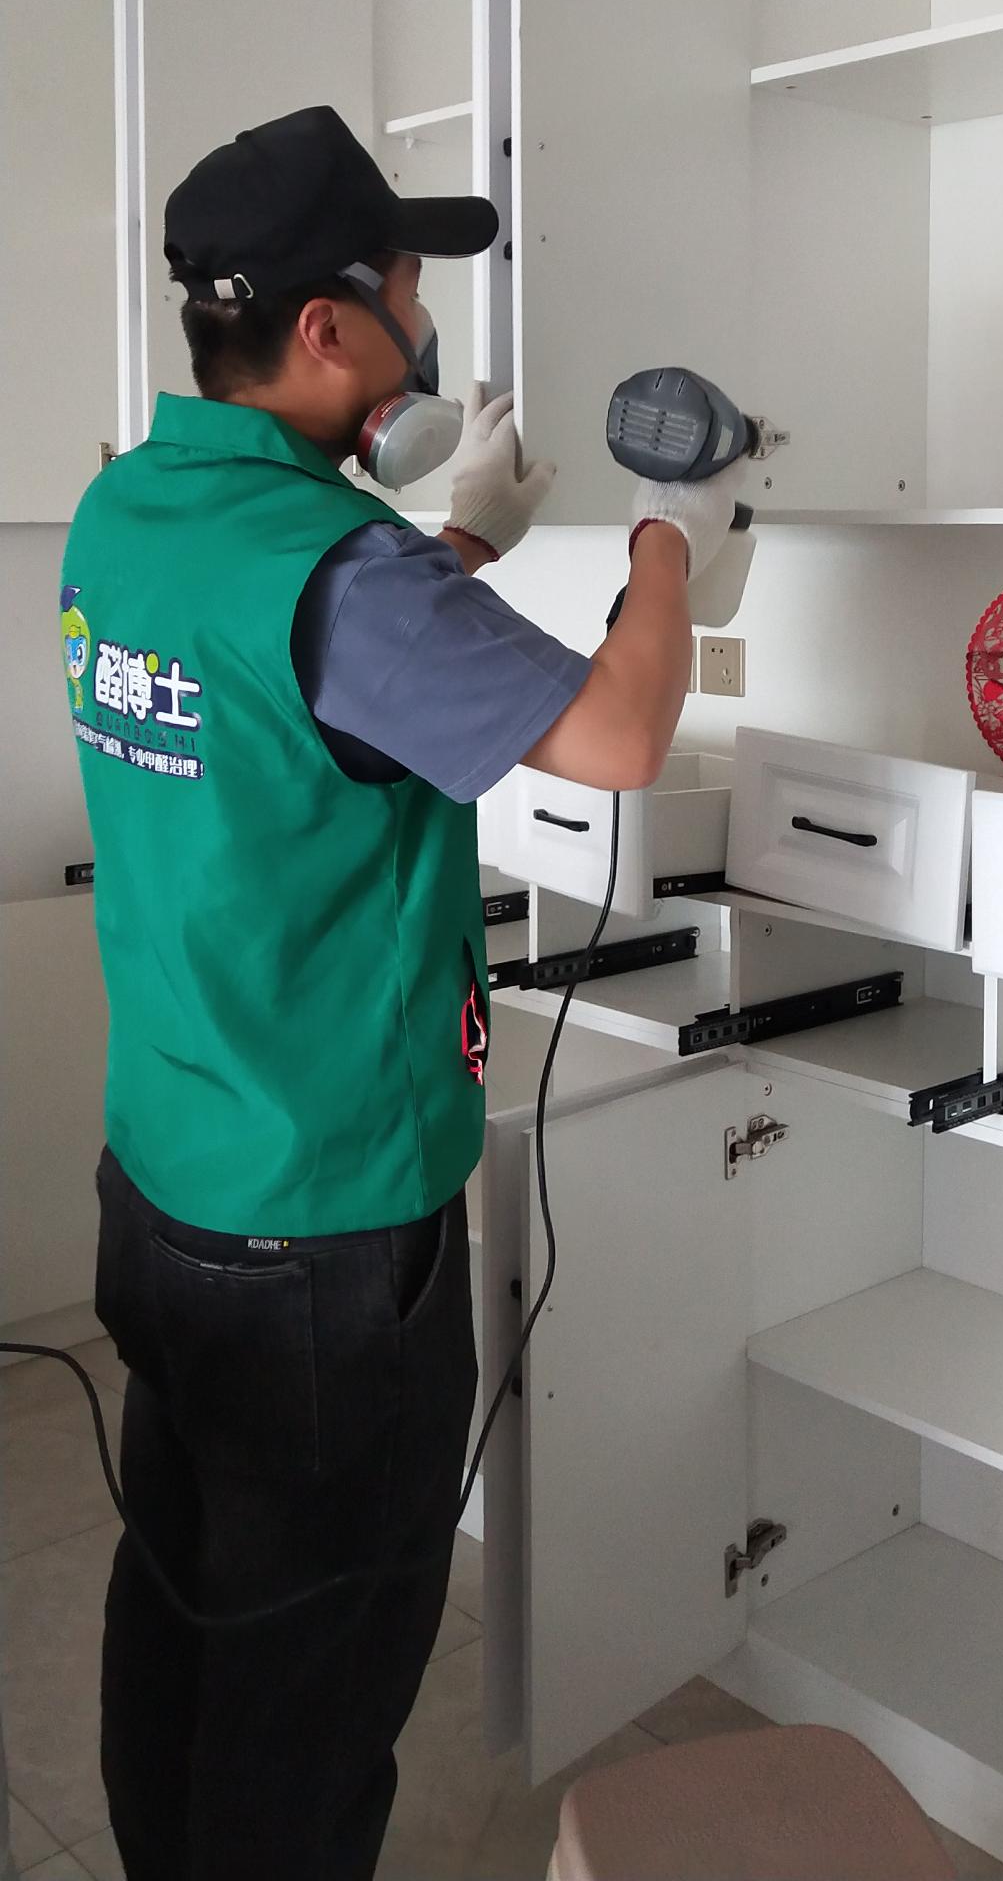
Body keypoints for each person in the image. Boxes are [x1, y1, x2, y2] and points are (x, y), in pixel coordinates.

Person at [60, 105, 743, 1881]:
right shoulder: (341, 574)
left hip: (170, 1186)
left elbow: (295, 684)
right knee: (314, 1672)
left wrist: (463, 548)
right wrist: (672, 538)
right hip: (325, 1237)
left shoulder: (132, 508)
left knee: (184, 1592)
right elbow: (621, 734)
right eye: (411, 292)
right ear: (327, 328)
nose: (428, 329)